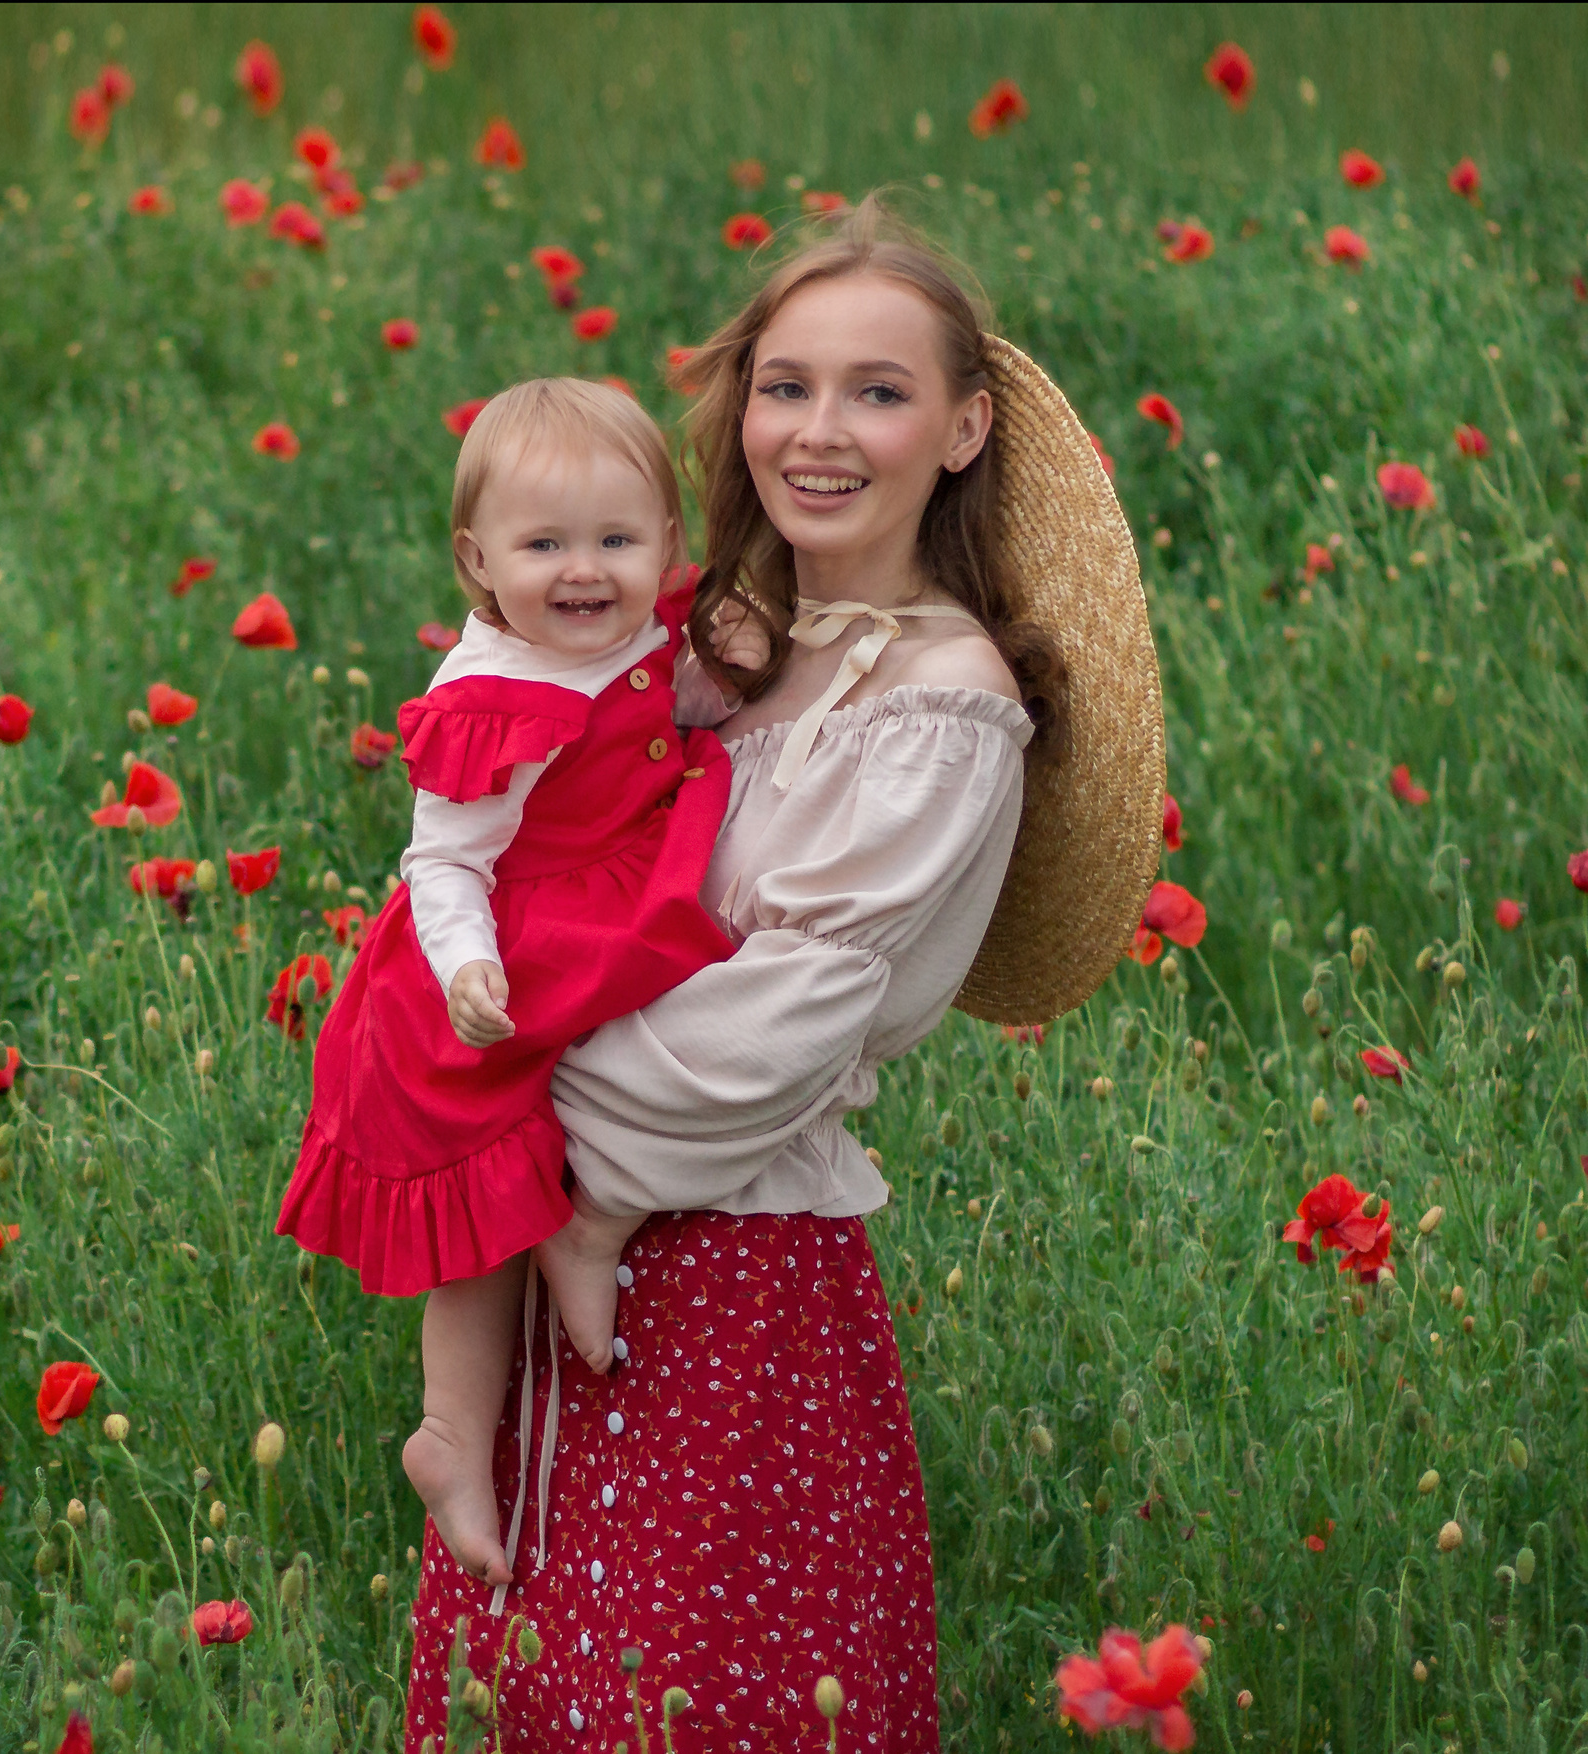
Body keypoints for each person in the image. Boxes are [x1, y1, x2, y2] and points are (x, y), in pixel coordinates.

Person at [402, 197, 1165, 1750]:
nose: (820, 430)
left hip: (723, 1269)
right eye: (786, 384)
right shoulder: (727, 642)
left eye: (877, 392)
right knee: (543, 1686)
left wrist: (553, 1163)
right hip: (555, 1236)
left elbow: (795, 1009)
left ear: (960, 431)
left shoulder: (944, 705)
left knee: (694, 1696)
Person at [277, 379, 771, 1586]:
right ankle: (451, 1431)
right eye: (544, 545)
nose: (584, 570)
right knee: (481, 1196)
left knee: (610, 1095)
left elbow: (681, 693)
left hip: (600, 912)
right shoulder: (488, 698)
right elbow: (441, 861)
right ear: (478, 560)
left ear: (665, 541)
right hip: (482, 966)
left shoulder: (647, 626)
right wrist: (467, 967)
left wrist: (740, 663)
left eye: (615, 538)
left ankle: (584, 1244)